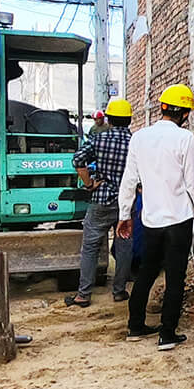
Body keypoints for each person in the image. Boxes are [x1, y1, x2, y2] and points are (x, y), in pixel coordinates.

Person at [116, 85, 194, 351]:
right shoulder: (184, 138)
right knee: (175, 277)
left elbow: (129, 180)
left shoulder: (139, 138)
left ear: (162, 107)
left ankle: (135, 326)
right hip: (179, 219)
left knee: (147, 271)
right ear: (185, 114)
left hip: (151, 220)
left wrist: (124, 214)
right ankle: (167, 334)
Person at [64, 98, 134, 307]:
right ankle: (119, 291)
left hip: (101, 200)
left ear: (109, 120)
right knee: (124, 246)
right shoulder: (135, 142)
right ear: (129, 120)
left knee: (90, 247)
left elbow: (78, 160)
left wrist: (89, 184)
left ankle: (83, 295)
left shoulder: (99, 140)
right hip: (126, 202)